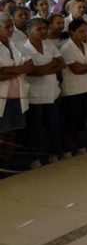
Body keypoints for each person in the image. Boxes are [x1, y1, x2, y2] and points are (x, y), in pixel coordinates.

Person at [23, 18, 65, 168]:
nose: (43, 32)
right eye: (38, 29)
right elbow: (34, 72)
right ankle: (35, 158)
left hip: (52, 92)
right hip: (35, 95)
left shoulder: (49, 44)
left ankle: (53, 153)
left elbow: (62, 63)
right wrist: (51, 65)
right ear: (28, 32)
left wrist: (46, 68)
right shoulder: (24, 48)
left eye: (44, 29)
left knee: (53, 126)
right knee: (35, 128)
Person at [60, 19, 87, 156]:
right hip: (72, 90)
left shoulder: (86, 46)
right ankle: (67, 149)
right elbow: (76, 69)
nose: (84, 34)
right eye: (81, 31)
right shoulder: (66, 48)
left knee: (82, 119)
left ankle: (81, 146)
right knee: (70, 121)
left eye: (86, 31)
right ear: (71, 32)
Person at [0, 13, 32, 167]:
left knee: (13, 131)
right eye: (7, 27)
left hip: (18, 96)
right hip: (2, 98)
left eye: (12, 26)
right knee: (2, 132)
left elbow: (30, 66)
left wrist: (10, 70)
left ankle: (7, 162)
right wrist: (20, 69)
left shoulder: (16, 44)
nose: (12, 30)